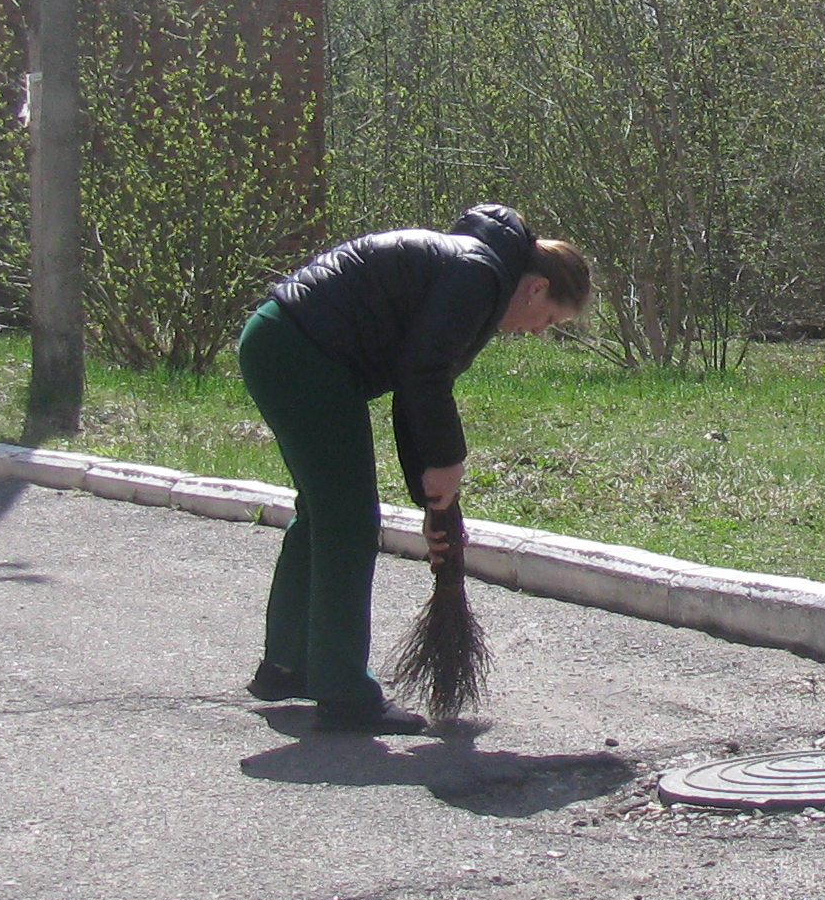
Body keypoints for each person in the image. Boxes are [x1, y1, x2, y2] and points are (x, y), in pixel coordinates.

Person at [238, 204, 590, 733]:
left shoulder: (474, 271)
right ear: (537, 288)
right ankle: (343, 694)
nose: (538, 331)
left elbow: (413, 389)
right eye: (549, 321)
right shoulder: (479, 274)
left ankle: (289, 666)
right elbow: (424, 377)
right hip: (303, 353)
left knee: (324, 515)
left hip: (281, 341)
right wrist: (447, 464)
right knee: (348, 524)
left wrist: (431, 498)